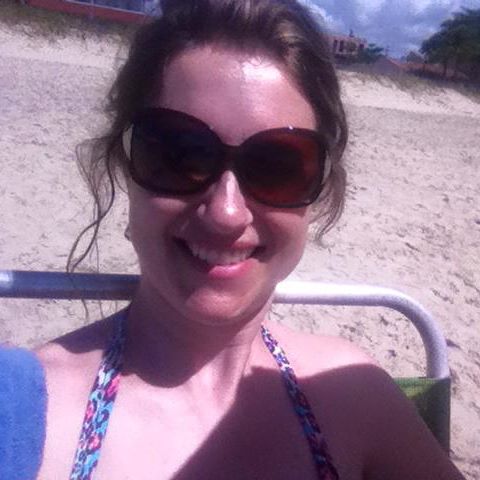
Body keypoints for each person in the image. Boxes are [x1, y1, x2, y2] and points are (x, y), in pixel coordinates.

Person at [3, 0, 464, 478]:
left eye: (277, 166)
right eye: (180, 155)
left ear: (321, 190)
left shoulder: (356, 393)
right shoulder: (22, 409)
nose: (226, 213)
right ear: (125, 165)